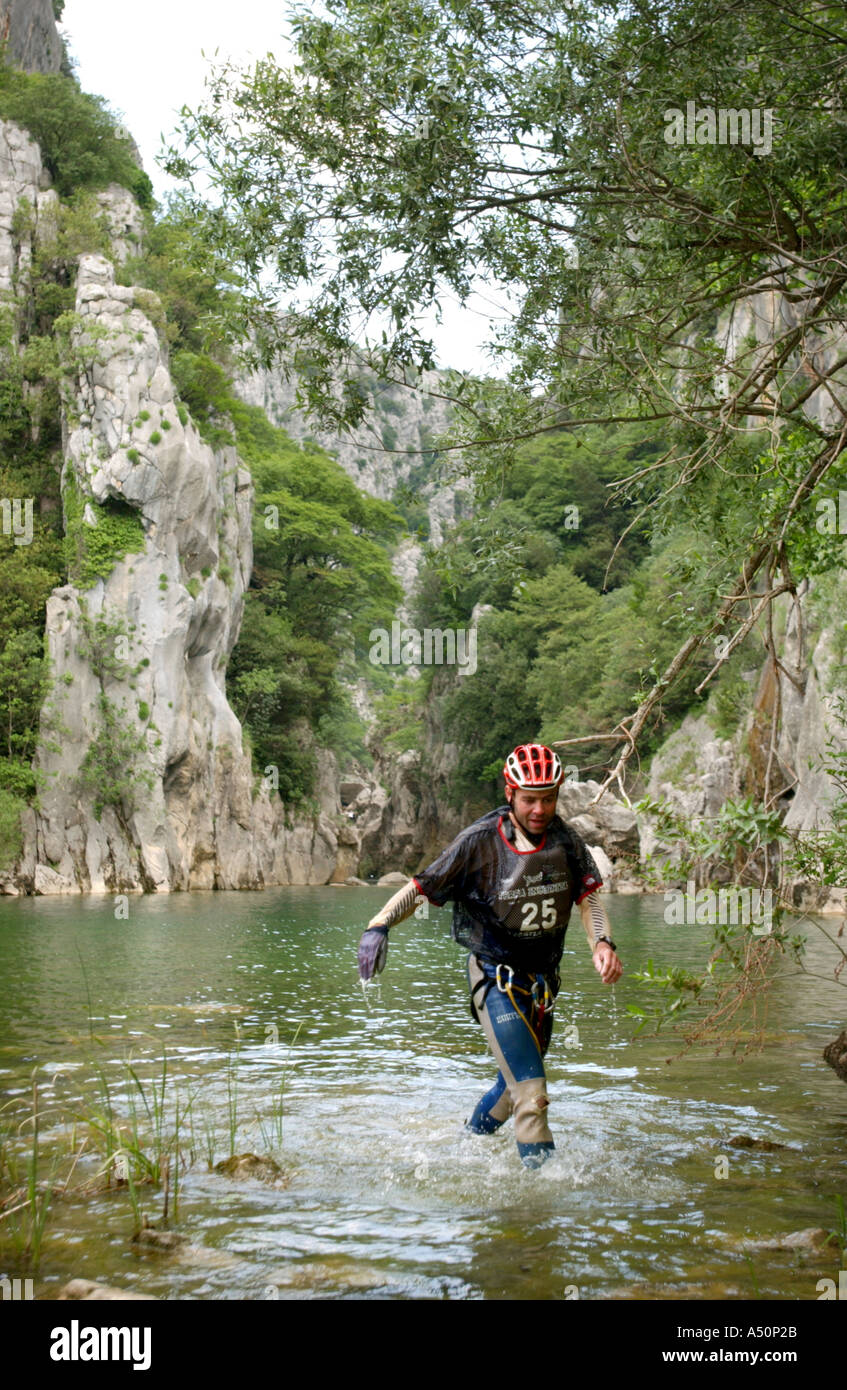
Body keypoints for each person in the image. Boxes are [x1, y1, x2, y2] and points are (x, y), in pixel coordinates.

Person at [357, 742, 623, 1169]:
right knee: (533, 1096)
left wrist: (603, 945)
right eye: (530, 799)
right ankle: (541, 1208)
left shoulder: (564, 839)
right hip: (495, 979)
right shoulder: (479, 841)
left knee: (509, 1089)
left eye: (549, 798)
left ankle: (462, 1149)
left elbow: (587, 898)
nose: (540, 809)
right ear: (510, 793)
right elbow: (424, 886)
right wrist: (379, 923)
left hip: (543, 986)